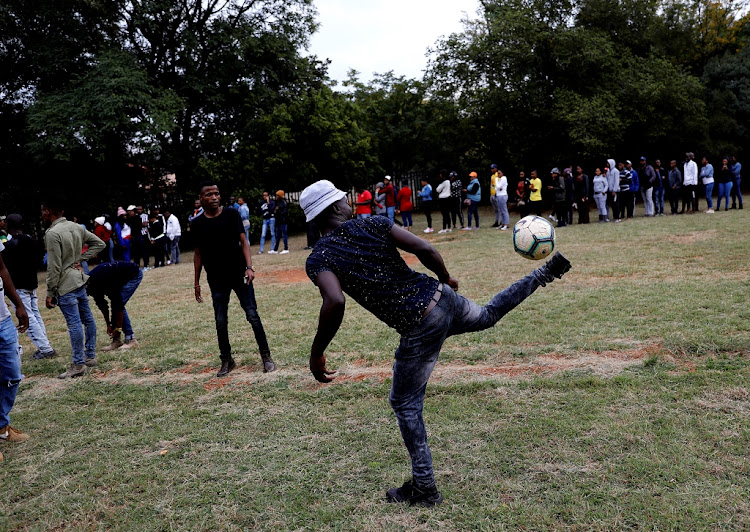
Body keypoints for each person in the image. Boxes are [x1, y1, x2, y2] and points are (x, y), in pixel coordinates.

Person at [298, 179, 571, 507]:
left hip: (418, 323)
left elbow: (334, 302)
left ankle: (424, 488)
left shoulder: (319, 259)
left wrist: (316, 353)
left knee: (405, 404)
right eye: (344, 200)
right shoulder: (373, 222)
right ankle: (543, 274)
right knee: (486, 315)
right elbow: (424, 249)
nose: (349, 203)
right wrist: (445, 278)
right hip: (441, 298)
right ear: (332, 208)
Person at [192, 182, 275, 376]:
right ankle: (227, 360)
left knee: (252, 315)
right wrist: (196, 283)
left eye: (217, 194)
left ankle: (266, 357)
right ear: (201, 199)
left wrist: (249, 267)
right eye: (209, 195)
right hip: (216, 279)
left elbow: (244, 242)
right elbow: (197, 254)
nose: (214, 197)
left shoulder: (231, 214)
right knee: (220, 320)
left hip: (239, 274)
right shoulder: (197, 223)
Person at [42, 199, 105, 379]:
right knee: (87, 318)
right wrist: (82, 258)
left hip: (65, 284)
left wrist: (50, 292)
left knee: (74, 324)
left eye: (43, 212)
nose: (42, 215)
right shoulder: (76, 227)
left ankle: (78, 364)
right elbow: (100, 244)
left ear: (48, 212)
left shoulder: (52, 233)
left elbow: (53, 267)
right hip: (79, 280)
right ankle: (90, 356)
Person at [2, 214, 57, 359]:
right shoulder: (33, 241)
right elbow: (39, 261)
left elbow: (5, 268)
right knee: (35, 315)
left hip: (18, 286)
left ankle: (45, 348)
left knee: (28, 317)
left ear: (8, 225)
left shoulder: (8, 246)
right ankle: (45, 344)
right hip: (32, 283)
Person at [0, 239, 30, 450]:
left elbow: (1, 269)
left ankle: (2, 428)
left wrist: (18, 304)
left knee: (12, 374)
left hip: (2, 321)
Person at [87, 261, 142, 351]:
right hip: (117, 277)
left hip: (134, 274)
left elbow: (118, 304)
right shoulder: (90, 287)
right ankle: (117, 340)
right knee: (115, 306)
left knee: (117, 306)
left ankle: (131, 339)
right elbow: (103, 306)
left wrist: (118, 328)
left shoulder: (102, 279)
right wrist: (108, 324)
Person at [270, 190, 289, 254]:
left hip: (283, 221)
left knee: (284, 235)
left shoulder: (284, 203)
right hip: (278, 221)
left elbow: (285, 213)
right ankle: (275, 249)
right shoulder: (277, 202)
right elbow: (274, 210)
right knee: (277, 236)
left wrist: (278, 211)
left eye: (278, 195)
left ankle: (286, 248)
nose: (276, 196)